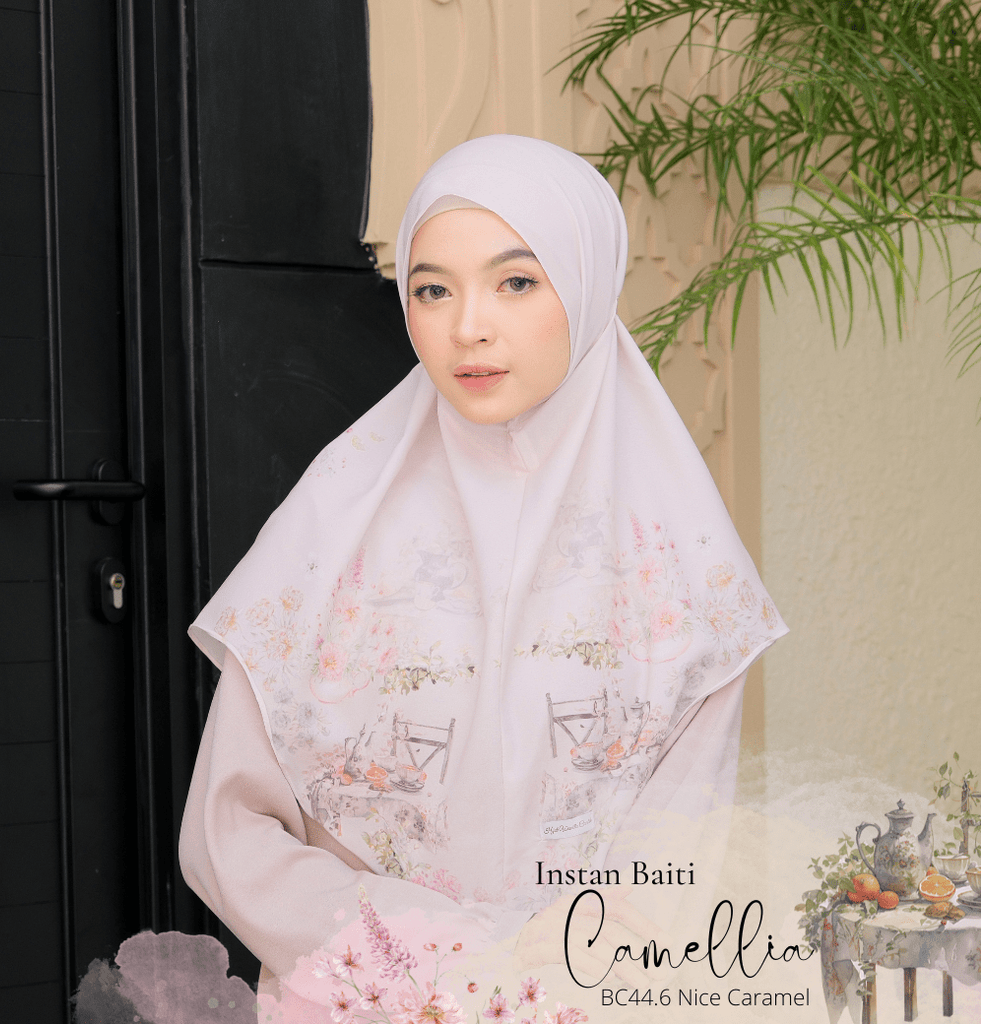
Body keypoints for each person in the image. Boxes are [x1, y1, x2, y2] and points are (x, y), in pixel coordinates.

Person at [179, 134, 787, 1016]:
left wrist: (543, 975)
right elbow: (226, 832)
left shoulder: (680, 563)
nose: (468, 326)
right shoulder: (332, 529)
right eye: (433, 289)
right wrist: (441, 955)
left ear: (588, 285)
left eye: (516, 282)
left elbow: (675, 854)